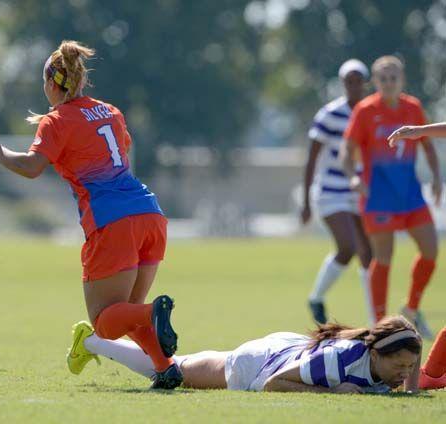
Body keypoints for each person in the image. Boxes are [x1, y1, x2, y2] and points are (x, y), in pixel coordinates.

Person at [0, 40, 180, 388]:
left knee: (104, 322)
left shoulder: (56, 121)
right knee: (124, 310)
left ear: (52, 84)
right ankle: (166, 368)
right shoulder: (110, 111)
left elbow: (32, 167)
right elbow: (120, 148)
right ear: (80, 80)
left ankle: (153, 311)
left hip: (112, 220)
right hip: (150, 213)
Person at [340, 55, 440, 339]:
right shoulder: (365, 110)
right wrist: (353, 177)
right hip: (378, 196)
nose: (389, 82)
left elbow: (428, 146)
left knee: (431, 250)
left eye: (393, 77)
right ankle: (382, 324)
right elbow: (347, 151)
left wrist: (436, 178)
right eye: (383, 78)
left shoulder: (413, 107)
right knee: (383, 257)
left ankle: (411, 309)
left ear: (402, 80)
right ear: (376, 82)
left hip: (410, 194)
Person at [66, 316, 424, 393]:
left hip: (284, 348)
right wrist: (333, 392)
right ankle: (92, 341)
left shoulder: (389, 359)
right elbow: (272, 385)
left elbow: (413, 356)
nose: (404, 372)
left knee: (185, 363)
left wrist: (411, 385)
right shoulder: (340, 361)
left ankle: (95, 343)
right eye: (400, 365)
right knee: (173, 373)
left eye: (410, 365)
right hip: (261, 363)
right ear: (375, 354)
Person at [301, 59, 373, 325]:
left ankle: (374, 320)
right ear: (343, 84)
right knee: (349, 246)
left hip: (361, 191)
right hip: (331, 191)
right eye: (348, 81)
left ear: (365, 83)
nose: (353, 85)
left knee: (368, 254)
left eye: (358, 80)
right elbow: (312, 159)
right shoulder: (329, 114)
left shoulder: (371, 113)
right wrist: (306, 202)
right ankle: (317, 297)